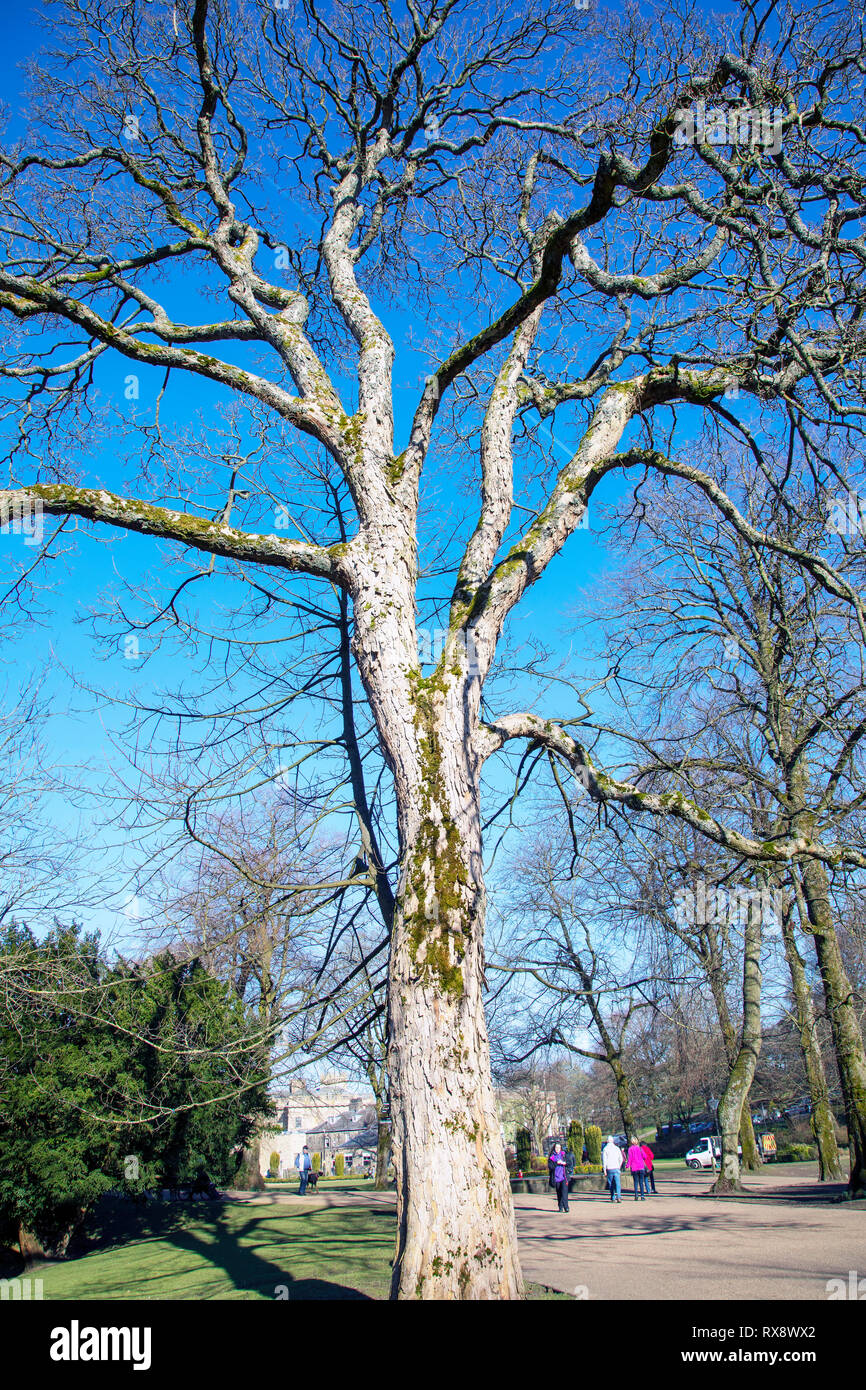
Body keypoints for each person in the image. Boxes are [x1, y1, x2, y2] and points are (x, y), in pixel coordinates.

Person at [548, 1142, 570, 1212]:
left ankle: (566, 1207)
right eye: (556, 1148)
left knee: (564, 1193)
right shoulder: (552, 1157)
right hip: (556, 1178)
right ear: (554, 1148)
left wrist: (564, 1163)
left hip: (564, 1177)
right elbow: (550, 1167)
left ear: (561, 1148)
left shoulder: (564, 1155)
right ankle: (560, 1206)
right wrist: (556, 1163)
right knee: (559, 1193)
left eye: (559, 1148)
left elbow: (569, 1163)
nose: (557, 1149)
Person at [601, 1135, 624, 1202]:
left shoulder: (605, 1149)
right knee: (617, 1183)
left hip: (609, 1168)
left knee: (611, 1183)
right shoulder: (617, 1148)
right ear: (613, 1141)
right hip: (616, 1167)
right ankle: (619, 1196)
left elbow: (604, 1160)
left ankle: (613, 1196)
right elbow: (621, 1159)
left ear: (607, 1141)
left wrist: (604, 1169)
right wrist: (619, 1166)